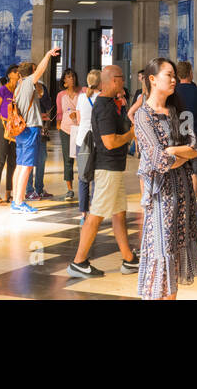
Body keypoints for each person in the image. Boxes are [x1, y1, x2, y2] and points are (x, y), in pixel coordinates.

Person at [131, 58, 197, 299]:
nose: (174, 80)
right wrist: (177, 152)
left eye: (174, 75)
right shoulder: (143, 116)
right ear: (152, 79)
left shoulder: (179, 113)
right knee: (161, 257)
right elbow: (158, 161)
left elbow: (196, 147)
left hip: (183, 194)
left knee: (174, 259)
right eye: (168, 75)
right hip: (161, 198)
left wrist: (173, 151)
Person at [68, 65, 140, 278]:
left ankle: (128, 259)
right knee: (97, 214)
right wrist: (131, 134)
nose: (123, 81)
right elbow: (109, 142)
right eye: (120, 78)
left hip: (114, 168)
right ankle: (78, 262)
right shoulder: (105, 106)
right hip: (107, 167)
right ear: (111, 81)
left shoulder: (111, 102)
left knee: (119, 213)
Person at [12, 49, 60, 213]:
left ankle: (15, 200)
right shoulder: (27, 83)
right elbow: (41, 69)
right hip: (31, 128)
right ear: (31, 73)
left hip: (21, 130)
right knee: (27, 166)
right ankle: (19, 202)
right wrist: (47, 55)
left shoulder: (18, 87)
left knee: (19, 165)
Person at [174, 60, 197, 202]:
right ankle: (192, 206)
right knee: (194, 174)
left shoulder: (172, 93)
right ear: (190, 73)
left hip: (177, 141)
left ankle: (180, 205)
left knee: (178, 174)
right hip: (196, 140)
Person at [73, 70, 101, 218]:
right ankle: (95, 209)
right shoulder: (102, 98)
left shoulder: (81, 97)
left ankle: (83, 213)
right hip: (97, 141)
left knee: (83, 176)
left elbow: (78, 120)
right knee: (96, 176)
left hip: (82, 140)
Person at [0, 70, 18, 205]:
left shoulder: (18, 90)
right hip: (2, 126)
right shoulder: (3, 90)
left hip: (14, 129)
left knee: (12, 162)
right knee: (0, 161)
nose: (18, 74)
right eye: (16, 72)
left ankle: (8, 193)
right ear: (10, 75)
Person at [56, 68, 81, 201]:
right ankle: (69, 189)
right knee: (68, 159)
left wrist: (77, 114)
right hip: (66, 129)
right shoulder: (61, 95)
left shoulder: (81, 92)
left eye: (73, 76)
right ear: (64, 80)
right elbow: (59, 112)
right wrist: (58, 125)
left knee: (82, 158)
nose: (72, 79)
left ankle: (84, 185)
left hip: (79, 128)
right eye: (69, 77)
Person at [28, 78, 53, 201]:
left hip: (41, 127)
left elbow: (48, 105)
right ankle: (29, 190)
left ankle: (39, 188)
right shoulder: (25, 87)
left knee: (42, 157)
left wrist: (41, 93)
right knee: (29, 159)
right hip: (29, 127)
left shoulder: (42, 87)